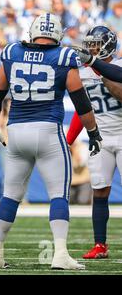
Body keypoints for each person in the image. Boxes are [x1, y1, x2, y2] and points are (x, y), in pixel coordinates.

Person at [0, 13, 102, 270]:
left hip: (16, 131)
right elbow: (81, 101)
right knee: (58, 195)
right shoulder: (63, 57)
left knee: (10, 195)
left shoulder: (12, 52)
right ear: (57, 35)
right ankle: (60, 254)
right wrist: (93, 131)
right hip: (48, 131)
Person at [66, 26, 122, 259]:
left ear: (108, 44)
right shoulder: (83, 72)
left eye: (97, 44)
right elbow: (83, 110)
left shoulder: (118, 66)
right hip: (99, 137)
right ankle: (100, 245)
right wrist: (69, 139)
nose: (92, 48)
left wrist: (98, 69)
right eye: (90, 44)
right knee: (99, 191)